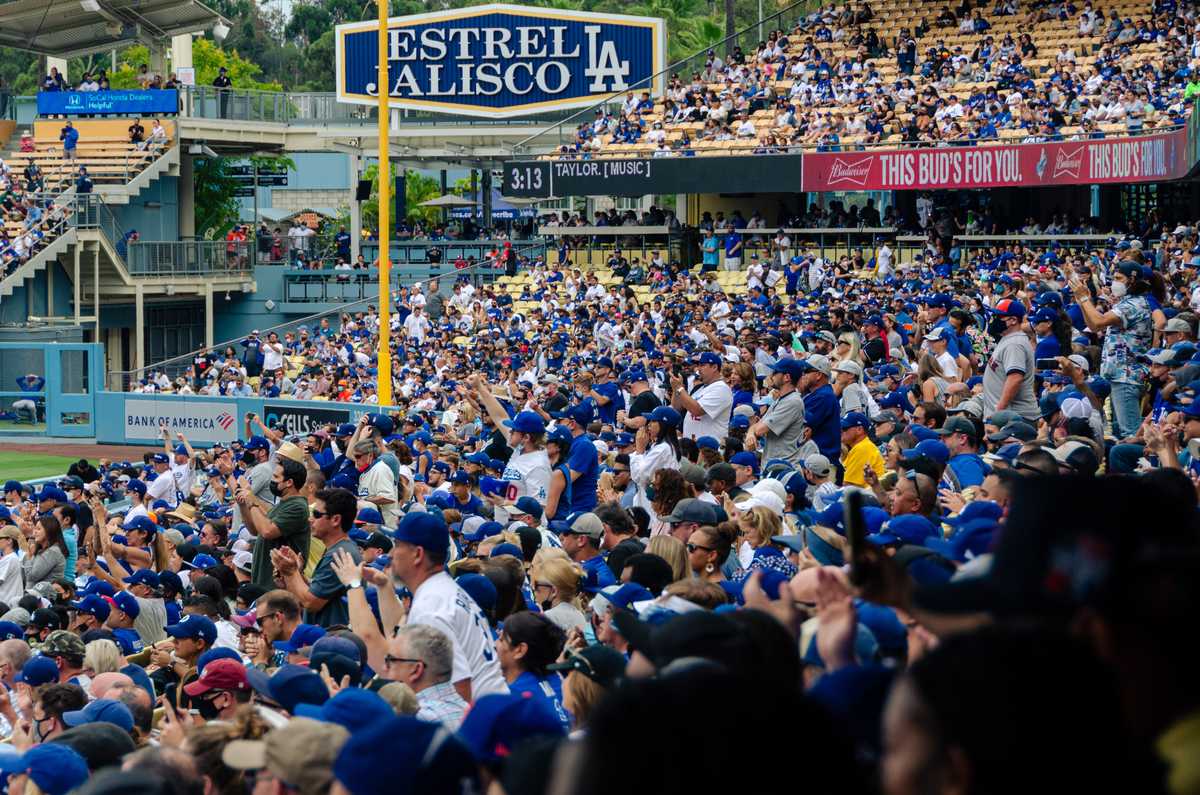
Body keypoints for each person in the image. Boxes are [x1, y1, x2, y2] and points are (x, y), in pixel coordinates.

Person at [272, 487, 362, 628]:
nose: (310, 519)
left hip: (332, 643)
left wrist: (291, 572)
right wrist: (294, 576)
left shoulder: (339, 554)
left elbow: (311, 603)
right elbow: (317, 594)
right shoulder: (339, 549)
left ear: (335, 520)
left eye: (316, 514)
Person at [237, 456, 311, 590]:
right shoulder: (283, 503)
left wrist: (252, 501)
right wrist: (243, 505)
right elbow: (255, 530)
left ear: (289, 482)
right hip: (263, 582)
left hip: (279, 587)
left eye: (276, 477)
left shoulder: (297, 507)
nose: (272, 480)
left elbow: (267, 531)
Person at [980, 298, 1038, 423]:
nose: (993, 319)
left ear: (1013, 320)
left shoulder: (1015, 344)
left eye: (997, 316)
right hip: (1007, 415)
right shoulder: (1009, 338)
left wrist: (998, 412)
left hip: (1013, 417)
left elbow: (1015, 378)